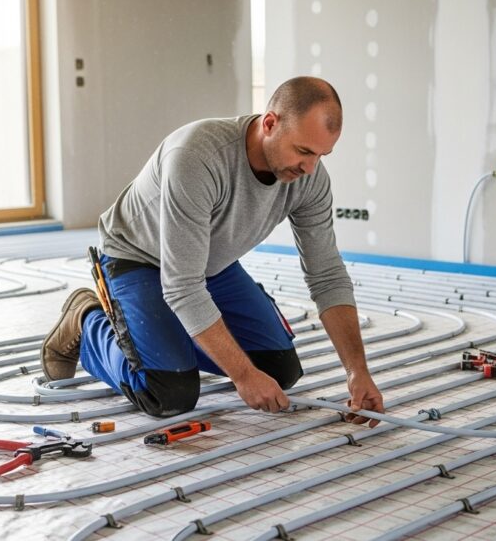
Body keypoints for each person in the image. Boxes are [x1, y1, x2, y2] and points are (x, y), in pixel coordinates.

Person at [41, 76, 384, 425]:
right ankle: (86, 323)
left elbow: (326, 274)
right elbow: (182, 286)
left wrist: (357, 371)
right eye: (304, 151)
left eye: (322, 155)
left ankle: (165, 338)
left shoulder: (310, 179)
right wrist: (242, 375)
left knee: (278, 370)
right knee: (168, 393)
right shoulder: (197, 157)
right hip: (137, 258)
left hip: (207, 264)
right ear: (270, 123)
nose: (310, 168)